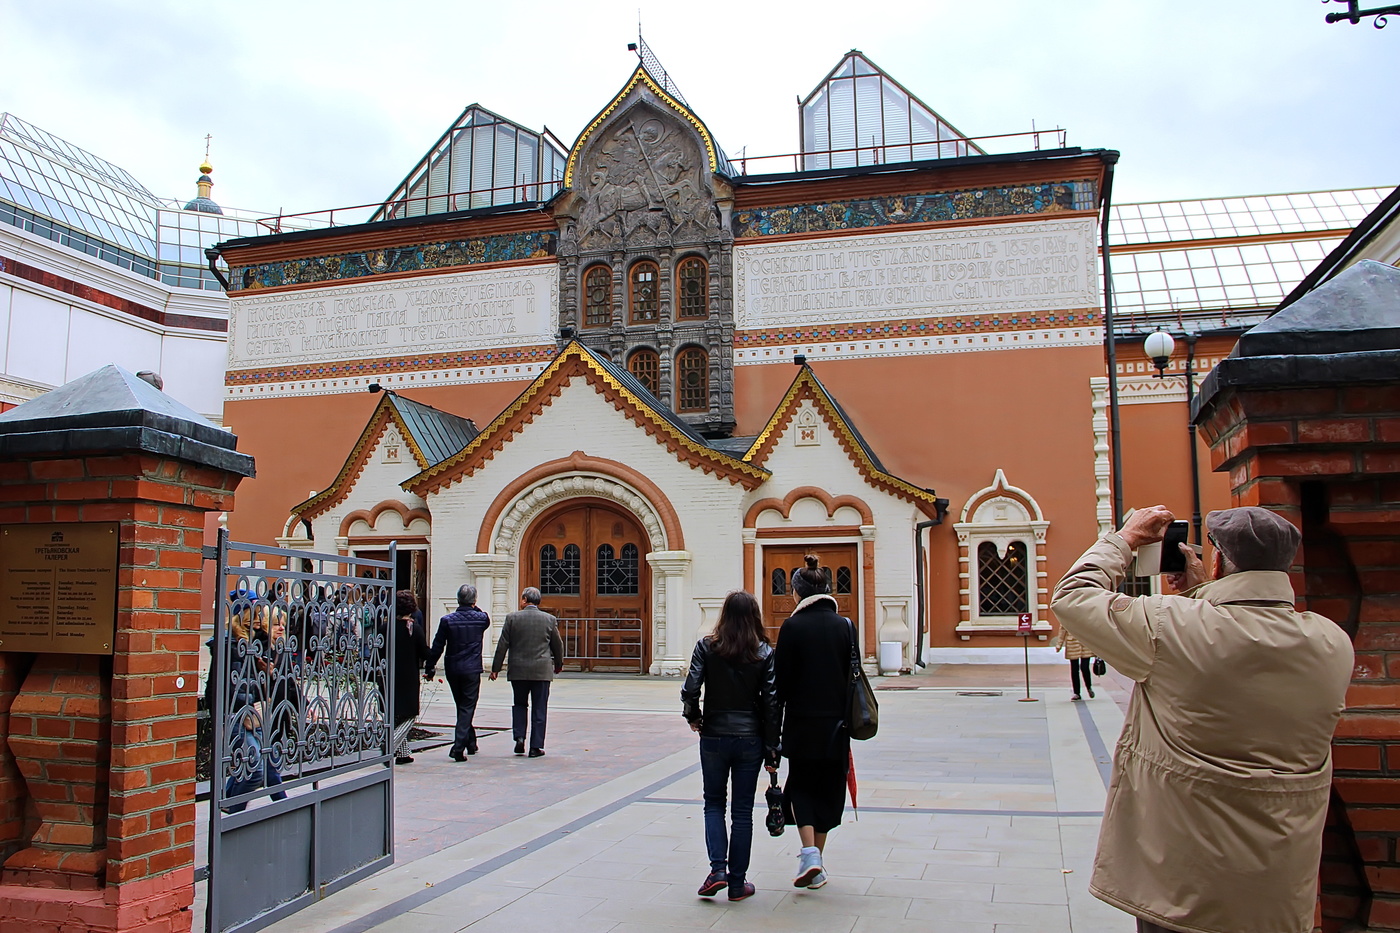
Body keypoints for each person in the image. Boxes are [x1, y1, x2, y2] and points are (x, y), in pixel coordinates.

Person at [1050, 505, 1353, 933]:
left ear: (1216, 559)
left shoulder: (1170, 625)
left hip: (1184, 882)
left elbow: (1073, 597)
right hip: (1278, 884)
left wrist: (1127, 538)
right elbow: (1238, 640)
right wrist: (1206, 592)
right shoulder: (1331, 641)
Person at [681, 591, 780, 902]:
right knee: (742, 812)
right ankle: (738, 883)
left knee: (713, 803)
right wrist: (772, 745)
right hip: (750, 736)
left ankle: (717, 870)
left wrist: (694, 717)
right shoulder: (763, 651)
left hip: (713, 734)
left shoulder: (707, 647)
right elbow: (772, 702)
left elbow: (690, 688)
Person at [774, 555, 853, 890]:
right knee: (830, 790)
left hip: (802, 723)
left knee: (802, 786)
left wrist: (772, 726)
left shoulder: (792, 627)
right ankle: (814, 859)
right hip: (838, 725)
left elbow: (780, 682)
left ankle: (810, 855)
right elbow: (854, 676)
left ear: (797, 593)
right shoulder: (845, 626)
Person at [490, 587, 564, 757]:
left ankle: (519, 737)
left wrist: (496, 669)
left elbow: (502, 645)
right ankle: (536, 746)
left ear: (524, 600)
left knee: (520, 704)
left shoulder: (512, 618)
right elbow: (557, 646)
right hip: (541, 671)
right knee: (539, 708)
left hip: (518, 670)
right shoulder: (549, 619)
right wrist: (558, 664)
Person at [425, 584, 492, 762]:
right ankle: (458, 746)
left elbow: (438, 645)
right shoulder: (481, 619)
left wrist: (430, 666)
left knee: (462, 705)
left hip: (453, 668)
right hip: (472, 669)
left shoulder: (448, 620)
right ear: (474, 601)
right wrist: (473, 605)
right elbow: (482, 614)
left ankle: (471, 742)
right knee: (467, 706)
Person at [392, 590, 429, 765]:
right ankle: (389, 747)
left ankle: (403, 753)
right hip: (408, 676)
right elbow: (424, 652)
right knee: (409, 715)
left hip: (390, 675)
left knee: (395, 715)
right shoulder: (413, 629)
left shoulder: (387, 627)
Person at [1053, 626, 1094, 700]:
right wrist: (1059, 644)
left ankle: (1089, 687)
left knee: (1085, 667)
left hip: (1085, 643)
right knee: (1074, 669)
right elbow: (1062, 629)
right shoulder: (1067, 616)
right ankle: (1077, 693)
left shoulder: (1086, 615)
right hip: (1073, 644)